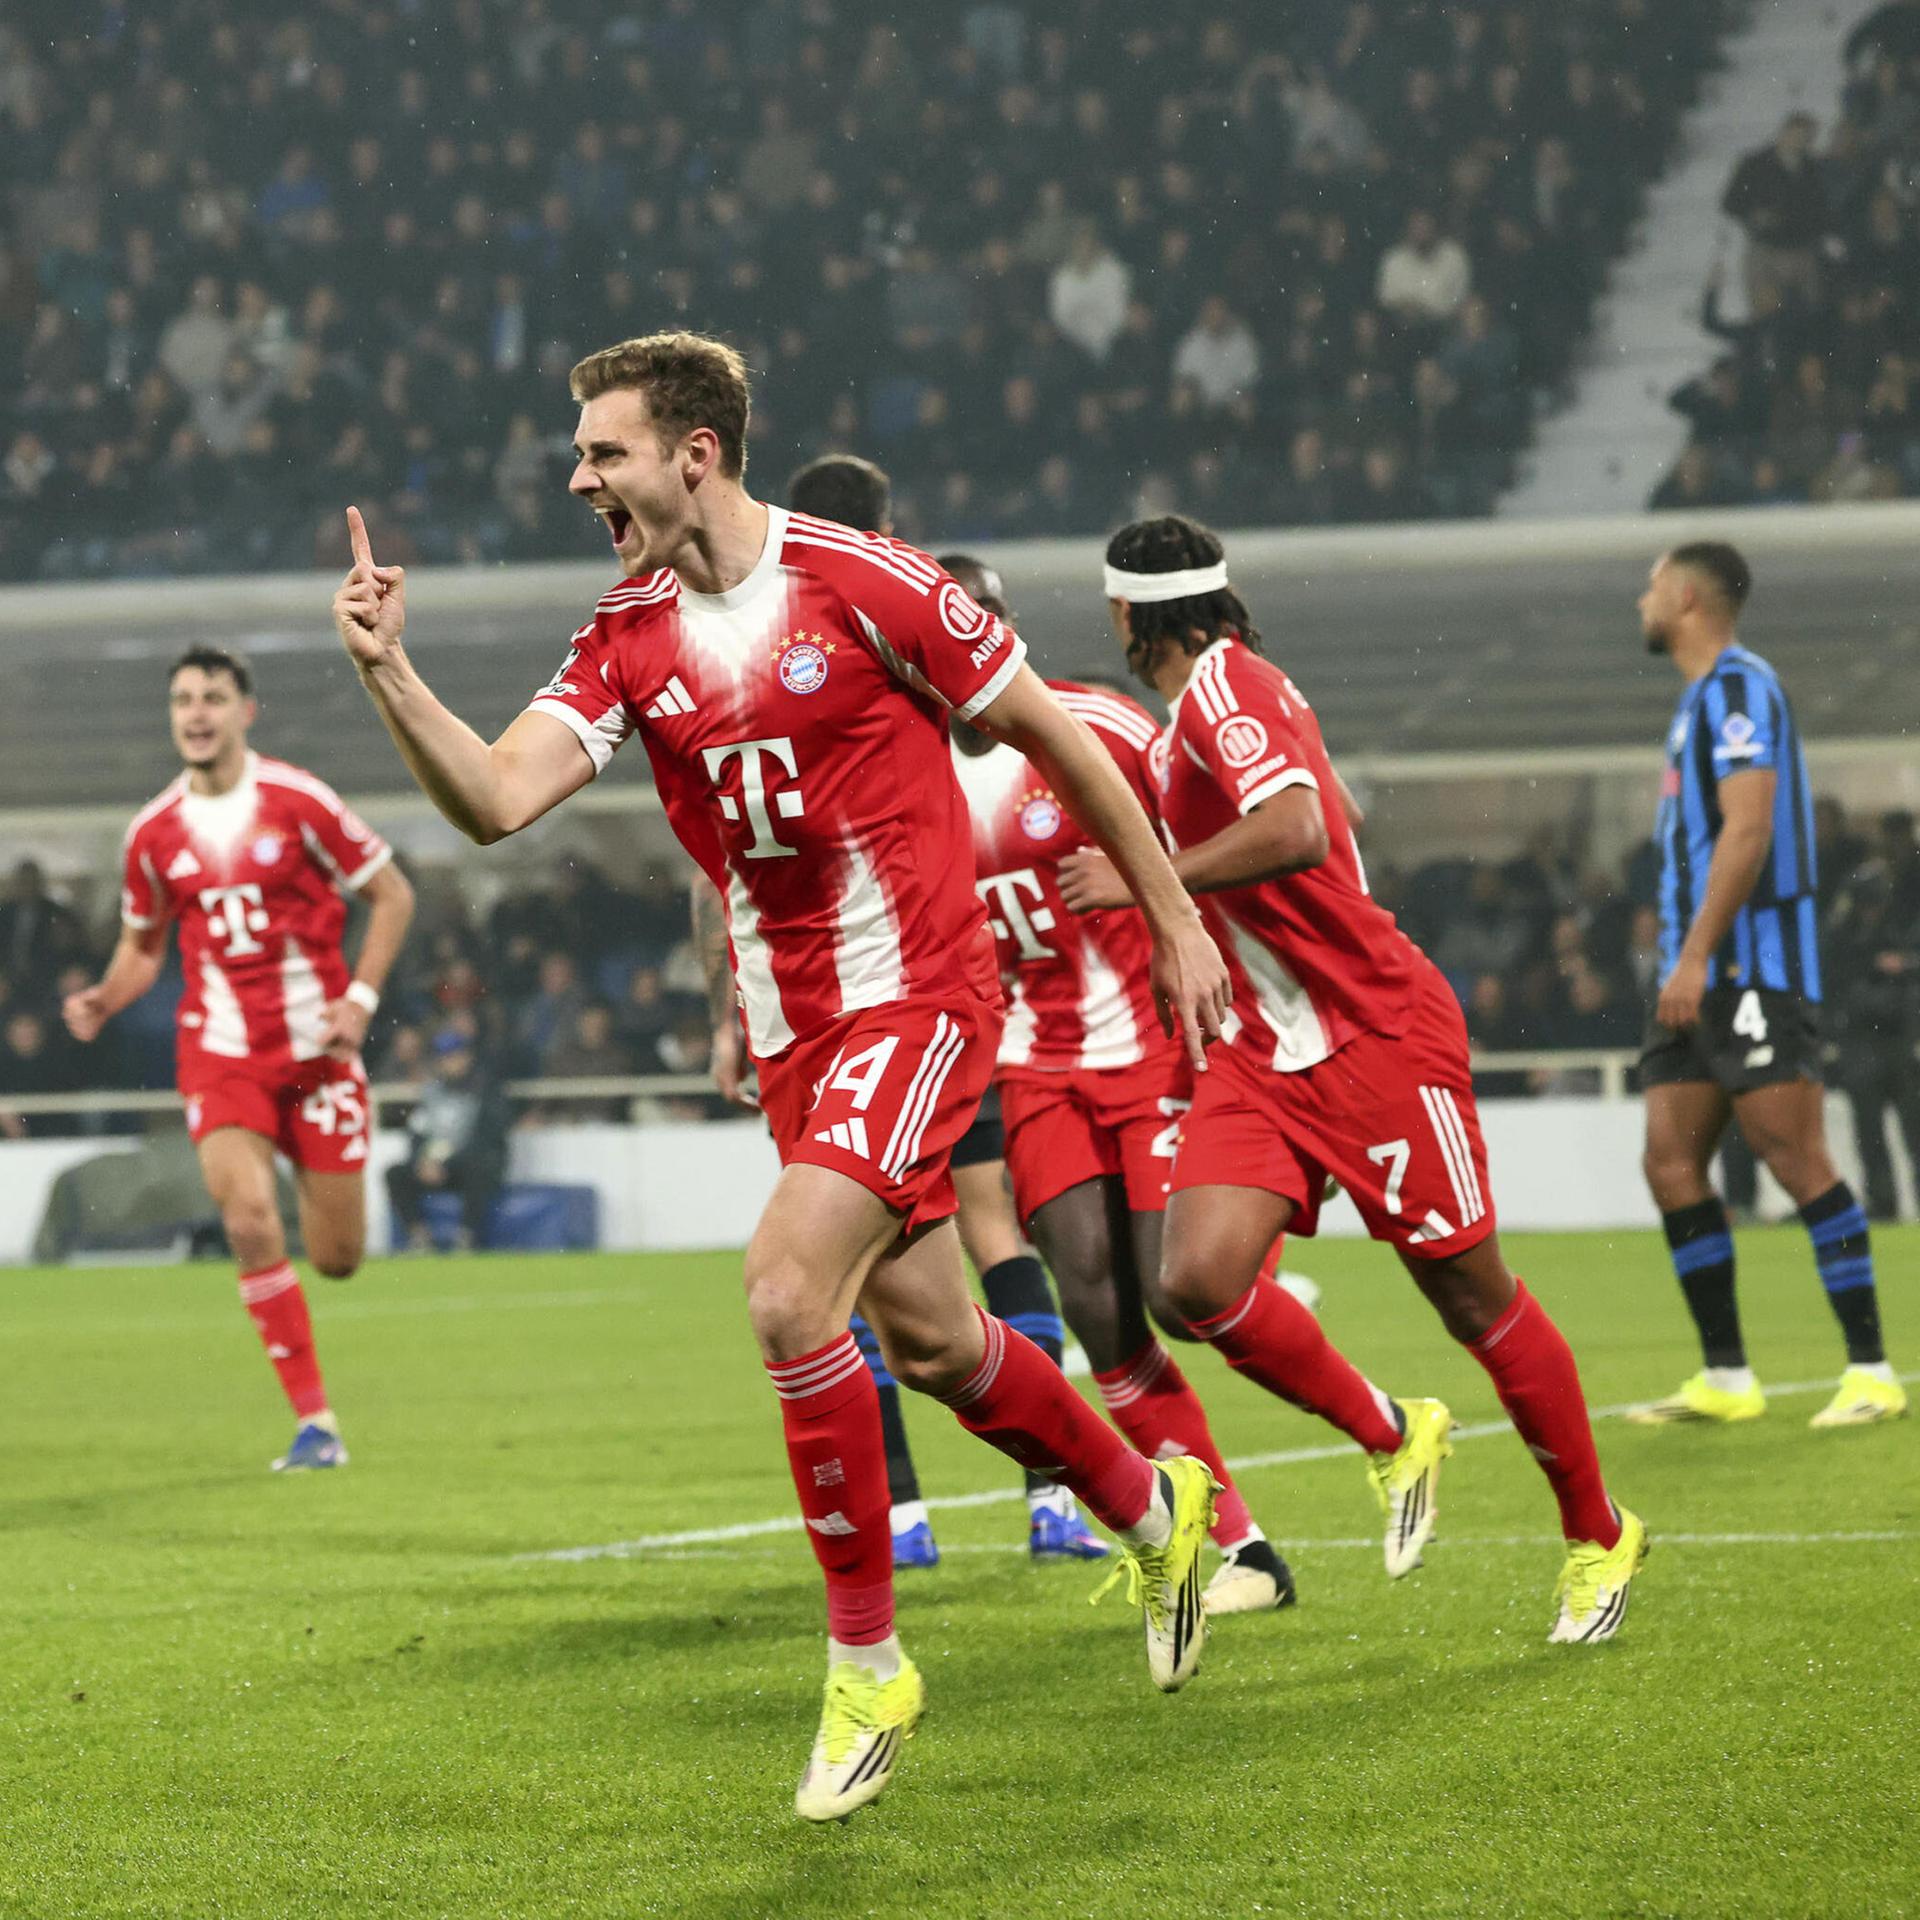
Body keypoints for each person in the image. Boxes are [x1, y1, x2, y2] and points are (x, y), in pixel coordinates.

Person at [331, 331, 1232, 1823]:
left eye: (603, 452)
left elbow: (1060, 739)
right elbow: (496, 799)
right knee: (938, 1345)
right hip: (803, 1037)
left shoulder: (871, 583)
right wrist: (390, 676)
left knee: (780, 1290)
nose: (580, 478)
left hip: (925, 1000)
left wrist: (1174, 911)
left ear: (695, 452)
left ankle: (871, 1662)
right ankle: (1154, 1507)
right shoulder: (627, 630)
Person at [1061, 514, 1646, 1646]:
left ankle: (1596, 1531)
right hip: (1266, 1051)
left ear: (1127, 615)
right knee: (1195, 1282)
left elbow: (1298, 826)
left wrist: (1151, 876)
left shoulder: (1233, 690)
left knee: (1473, 1299)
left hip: (1376, 1038)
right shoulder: (1209, 709)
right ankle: (1394, 1430)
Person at [759, 453, 1104, 1570]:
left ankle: (939, 1518)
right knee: (940, 1284)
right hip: (934, 1018)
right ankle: (1053, 1497)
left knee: (851, 1275)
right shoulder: (895, 653)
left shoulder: (836, 648)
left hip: (923, 1015)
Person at [946, 551, 1295, 1616]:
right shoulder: (901, 770)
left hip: (1148, 1051)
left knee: (1177, 1296)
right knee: (1096, 1307)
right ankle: (1243, 1549)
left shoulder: (1093, 728)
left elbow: (1201, 829)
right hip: (1034, 1064)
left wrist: (1201, 951)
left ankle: (1381, 1420)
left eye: (986, 618)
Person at [63, 646, 416, 1470]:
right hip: (221, 1055)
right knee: (250, 1220)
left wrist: (359, 1002)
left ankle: (314, 1212)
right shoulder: (153, 832)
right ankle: (315, 1425)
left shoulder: (298, 801)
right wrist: (105, 998)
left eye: (213, 697)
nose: (196, 712)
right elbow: (144, 948)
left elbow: (392, 892)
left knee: (336, 1259)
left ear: (244, 711)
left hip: (320, 1057)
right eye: (183, 698)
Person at [1630, 543, 1904, 1428]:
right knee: (1671, 1161)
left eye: (1650, 585)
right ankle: (1727, 1378)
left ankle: (1870, 1371)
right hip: (1697, 969)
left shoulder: (1742, 687)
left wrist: (1700, 952)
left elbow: (1748, 832)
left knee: (1793, 1155)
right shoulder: (1699, 700)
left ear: (1684, 595)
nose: (1642, 599)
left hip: (1749, 967)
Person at [386, 1026, 512, 1251]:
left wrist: (447, 1163)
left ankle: (466, 1236)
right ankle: (419, 1236)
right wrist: (421, 1162)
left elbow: (487, 1136)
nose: (449, 1062)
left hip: (468, 1164)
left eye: (454, 1055)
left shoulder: (487, 1087)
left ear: (467, 1056)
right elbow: (417, 1132)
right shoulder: (432, 1091)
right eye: (444, 1057)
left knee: (478, 1164)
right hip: (436, 1163)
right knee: (394, 1173)